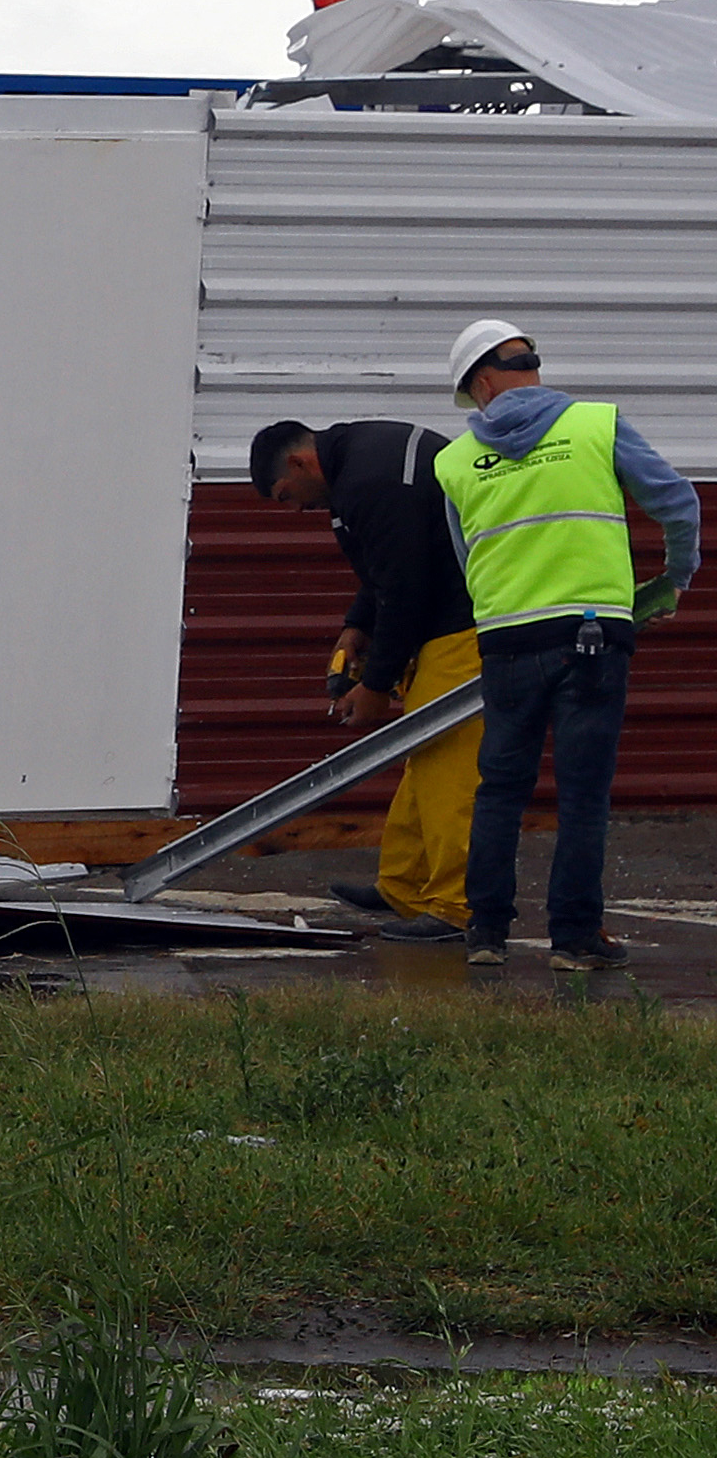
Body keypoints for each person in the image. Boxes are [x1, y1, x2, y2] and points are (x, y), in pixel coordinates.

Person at [429, 319, 697, 974]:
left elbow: (470, 560)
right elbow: (679, 502)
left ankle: (485, 932)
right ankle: (574, 939)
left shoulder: (455, 461)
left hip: (506, 641)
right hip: (593, 634)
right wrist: (671, 579)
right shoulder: (596, 425)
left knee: (499, 789)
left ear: (483, 383)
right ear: (528, 367)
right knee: (582, 794)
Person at [248, 415, 477, 933]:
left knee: (450, 770)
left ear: (300, 463)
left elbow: (404, 587)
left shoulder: (370, 482)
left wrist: (374, 687)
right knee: (426, 757)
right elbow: (385, 567)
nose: (298, 508)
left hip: (464, 623)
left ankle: (456, 908)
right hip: (441, 620)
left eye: (287, 495)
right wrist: (357, 626)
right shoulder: (357, 464)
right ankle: (405, 887)